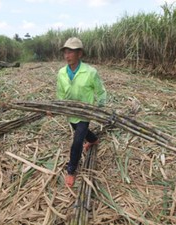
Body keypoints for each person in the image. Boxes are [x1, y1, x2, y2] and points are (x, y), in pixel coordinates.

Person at [56, 37, 107, 187]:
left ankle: (71, 169)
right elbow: (60, 93)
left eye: (71, 51)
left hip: (85, 113)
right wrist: (56, 107)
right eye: (65, 52)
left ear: (80, 53)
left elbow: (101, 91)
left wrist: (99, 107)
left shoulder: (90, 72)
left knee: (77, 141)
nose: (67, 55)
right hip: (70, 112)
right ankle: (93, 140)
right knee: (80, 131)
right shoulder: (61, 73)